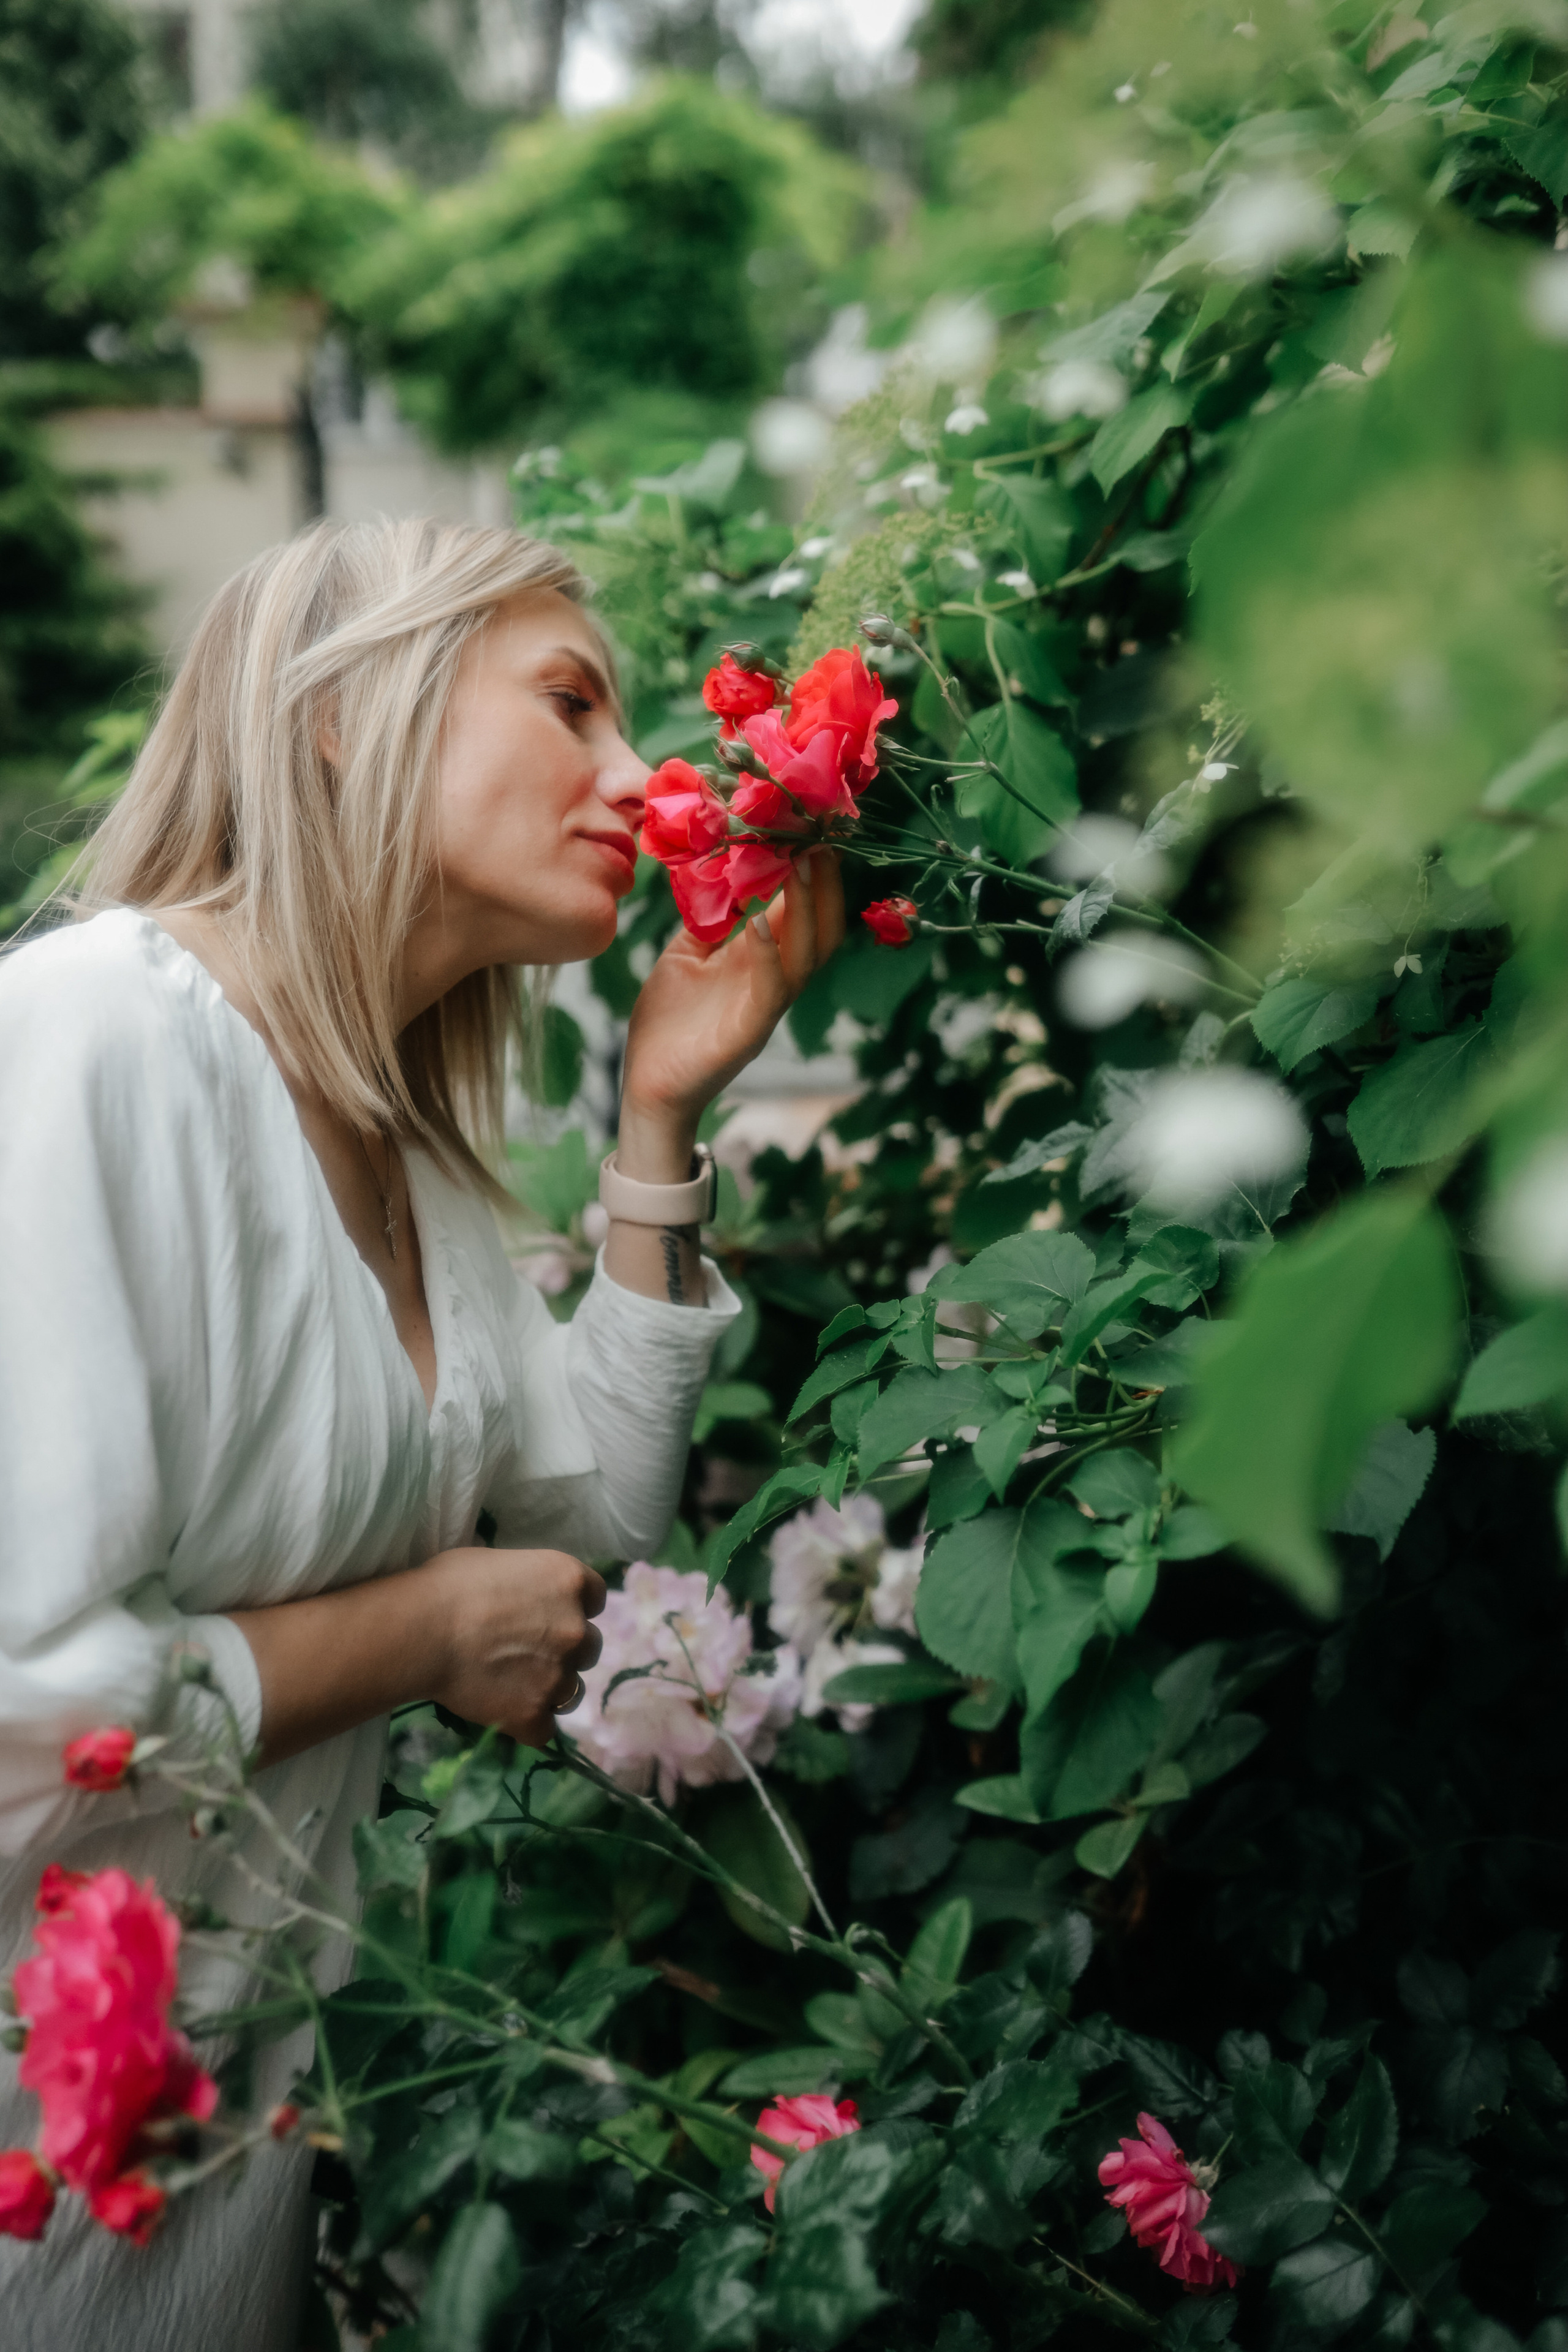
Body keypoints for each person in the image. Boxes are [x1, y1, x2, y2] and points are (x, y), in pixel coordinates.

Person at [0, 518, 843, 2349]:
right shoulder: (95, 1041)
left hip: (208, 2177)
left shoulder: (414, 1166)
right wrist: (424, 1635)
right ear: (341, 712)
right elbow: (23, 1695)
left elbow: (589, 1523)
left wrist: (657, 1113)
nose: (641, 776)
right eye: (572, 702)